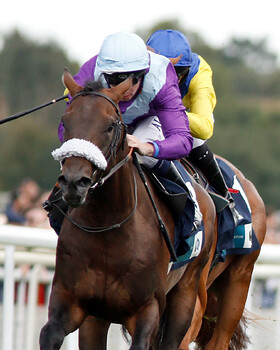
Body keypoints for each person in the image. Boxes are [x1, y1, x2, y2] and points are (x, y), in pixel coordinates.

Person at [47, 31, 191, 224]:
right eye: (115, 80)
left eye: (133, 78)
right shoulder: (89, 72)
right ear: (104, 72)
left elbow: (183, 140)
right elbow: (67, 127)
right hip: (102, 125)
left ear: (145, 72)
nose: (126, 88)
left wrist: (149, 147)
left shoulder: (161, 78)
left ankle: (191, 206)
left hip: (146, 121)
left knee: (144, 158)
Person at [146, 29, 235, 209]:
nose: (175, 79)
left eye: (180, 72)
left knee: (194, 139)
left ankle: (225, 197)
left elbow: (204, 127)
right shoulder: (136, 65)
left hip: (184, 116)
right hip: (147, 114)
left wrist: (170, 113)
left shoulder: (199, 73)